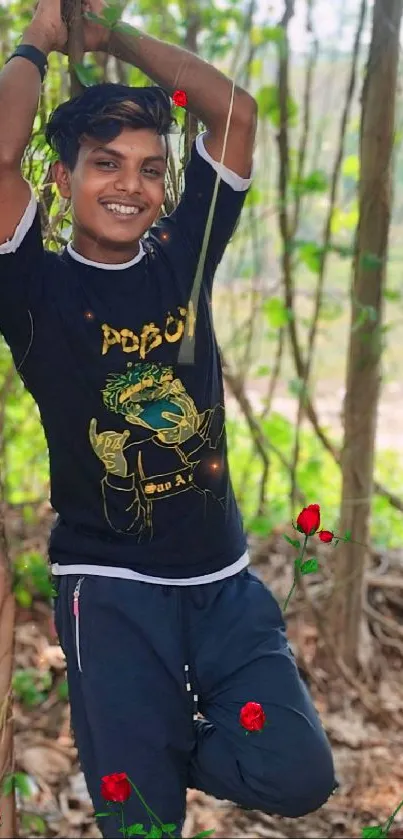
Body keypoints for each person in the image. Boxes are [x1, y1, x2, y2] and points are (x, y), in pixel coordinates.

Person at [0, 1, 337, 836]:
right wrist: (38, 40)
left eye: (151, 168)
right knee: (143, 824)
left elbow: (234, 113)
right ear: (61, 178)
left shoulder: (183, 255)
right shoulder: (34, 288)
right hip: (110, 595)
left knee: (294, 771)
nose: (129, 185)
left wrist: (112, 36)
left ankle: (151, 742)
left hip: (222, 587)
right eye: (105, 163)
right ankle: (137, 758)